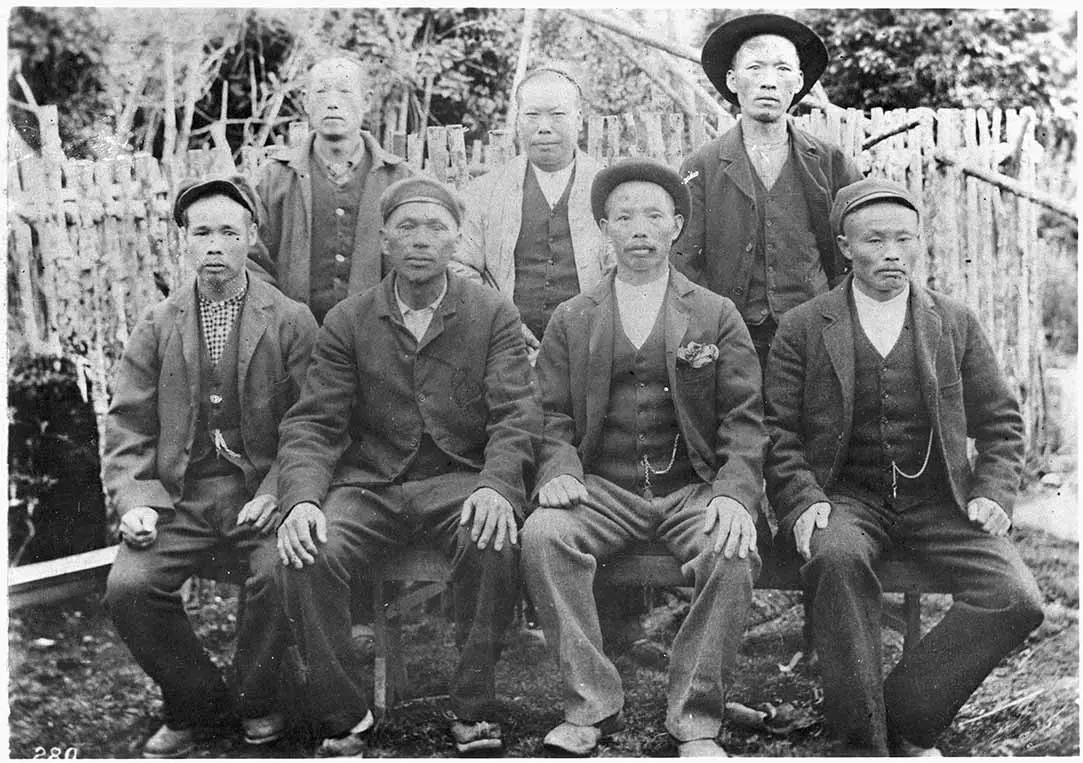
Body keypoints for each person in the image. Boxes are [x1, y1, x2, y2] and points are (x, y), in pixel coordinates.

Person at [764, 178, 1045, 756]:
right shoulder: (803, 327)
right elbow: (777, 433)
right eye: (873, 241)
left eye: (904, 239)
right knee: (836, 559)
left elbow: (1001, 421)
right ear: (844, 247)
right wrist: (802, 498)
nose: (891, 253)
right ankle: (865, 744)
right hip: (845, 498)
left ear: (919, 243)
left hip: (938, 501)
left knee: (1016, 598)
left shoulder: (955, 322)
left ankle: (904, 717)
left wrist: (992, 491)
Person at [273, 176, 541, 756]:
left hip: (458, 481)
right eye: (407, 228)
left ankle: (473, 708)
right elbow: (313, 424)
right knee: (307, 549)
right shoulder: (349, 319)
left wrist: (497, 486)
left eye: (436, 228)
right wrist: (299, 500)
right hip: (370, 486)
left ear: (456, 242)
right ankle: (345, 716)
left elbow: (517, 416)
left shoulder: (491, 314)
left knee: (493, 537)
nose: (421, 240)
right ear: (384, 241)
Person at [522, 159, 766, 757]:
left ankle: (696, 719)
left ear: (676, 227)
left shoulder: (714, 313)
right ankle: (590, 707)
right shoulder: (573, 317)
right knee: (544, 534)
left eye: (653, 215)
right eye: (624, 216)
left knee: (731, 548)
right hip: (604, 487)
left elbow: (745, 420)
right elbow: (548, 415)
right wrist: (558, 470)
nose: (639, 228)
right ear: (604, 227)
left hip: (692, 487)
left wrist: (734, 495)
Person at [102, 176, 318, 758]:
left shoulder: (291, 320)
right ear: (184, 243)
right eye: (202, 233)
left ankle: (257, 698)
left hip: (260, 492)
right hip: (180, 494)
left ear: (252, 237)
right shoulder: (158, 324)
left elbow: (314, 424)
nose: (215, 245)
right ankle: (196, 701)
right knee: (128, 587)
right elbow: (128, 426)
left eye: (229, 231)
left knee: (281, 571)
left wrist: (279, 491)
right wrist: (138, 502)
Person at [673, 13, 863, 369]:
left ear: (799, 81)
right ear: (732, 80)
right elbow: (684, 262)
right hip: (730, 338)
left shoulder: (830, 163)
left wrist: (833, 313)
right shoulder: (702, 167)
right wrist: (713, 326)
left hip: (813, 334)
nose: (768, 83)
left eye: (782, 70)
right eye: (755, 68)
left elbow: (853, 250)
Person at [453, 66, 612, 360]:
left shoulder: (611, 192)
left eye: (557, 115)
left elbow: (627, 273)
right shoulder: (484, 193)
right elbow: (459, 267)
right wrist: (499, 323)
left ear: (579, 120)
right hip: (504, 350)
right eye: (532, 115)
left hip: (593, 352)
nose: (544, 127)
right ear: (517, 121)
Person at [251, 56, 413, 323]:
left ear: (367, 101)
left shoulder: (399, 180)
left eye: (345, 91)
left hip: (377, 343)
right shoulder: (274, 179)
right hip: (294, 344)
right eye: (322, 91)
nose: (333, 102)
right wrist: (283, 319)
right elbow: (251, 260)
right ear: (305, 101)